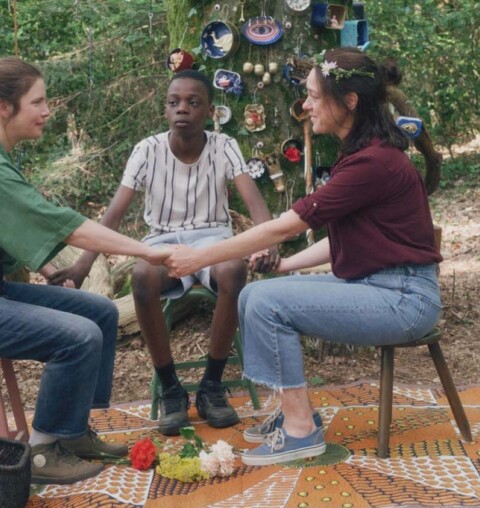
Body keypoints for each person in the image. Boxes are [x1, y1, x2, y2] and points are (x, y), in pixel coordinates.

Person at [165, 48, 443, 465]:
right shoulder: (365, 154)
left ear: (349, 102)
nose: (306, 105)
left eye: (314, 95)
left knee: (264, 301)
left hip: (404, 298)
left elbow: (284, 227)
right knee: (252, 296)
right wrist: (284, 265)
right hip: (381, 285)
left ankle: (300, 431)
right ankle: (295, 412)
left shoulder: (372, 163)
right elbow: (348, 240)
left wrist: (198, 258)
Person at [0, 57, 170, 485]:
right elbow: (64, 224)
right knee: (77, 335)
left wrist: (48, 267)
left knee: (98, 313)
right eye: (38, 102)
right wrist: (149, 252)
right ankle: (43, 452)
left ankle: (73, 431)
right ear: (5, 107)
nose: (47, 111)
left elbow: (7, 226)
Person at [53, 69, 279, 435]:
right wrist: (82, 264)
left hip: (213, 240)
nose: (182, 109)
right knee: (141, 275)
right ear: (165, 110)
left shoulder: (225, 146)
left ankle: (211, 385)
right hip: (161, 242)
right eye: (174, 102)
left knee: (233, 270)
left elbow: (254, 201)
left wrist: (267, 242)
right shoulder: (147, 150)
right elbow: (114, 213)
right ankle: (171, 387)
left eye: (193, 102)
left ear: (209, 111)